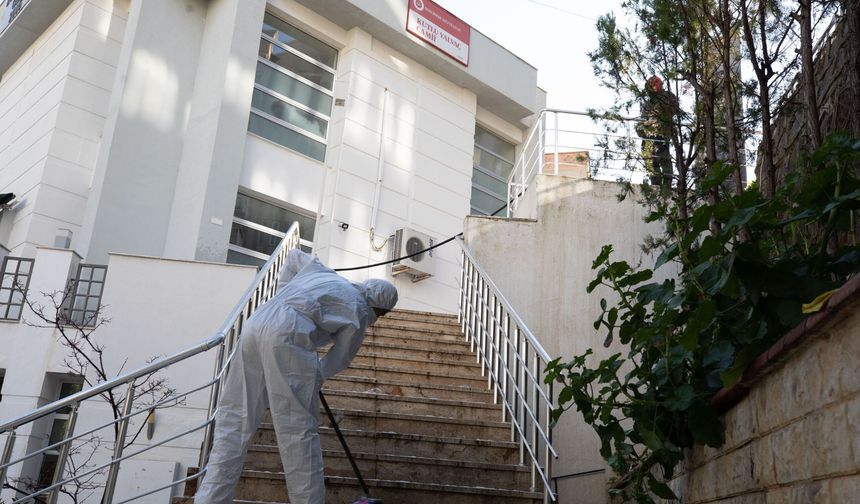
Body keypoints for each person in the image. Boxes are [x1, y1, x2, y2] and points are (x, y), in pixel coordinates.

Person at [194, 249, 398, 504]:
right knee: (298, 433)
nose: (378, 320)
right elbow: (341, 358)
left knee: (235, 420)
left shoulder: (326, 275)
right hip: (288, 337)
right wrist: (315, 375)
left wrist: (284, 295)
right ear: (378, 306)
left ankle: (210, 500)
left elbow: (292, 257)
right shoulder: (358, 310)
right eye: (382, 315)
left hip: (257, 324)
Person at [636, 75, 678, 187]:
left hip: (661, 135)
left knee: (665, 161)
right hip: (648, 137)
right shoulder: (647, 103)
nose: (660, 84)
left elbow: (673, 109)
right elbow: (641, 123)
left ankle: (667, 187)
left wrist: (657, 117)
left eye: (659, 82)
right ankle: (656, 184)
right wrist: (644, 126)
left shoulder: (668, 96)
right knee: (650, 161)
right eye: (656, 83)